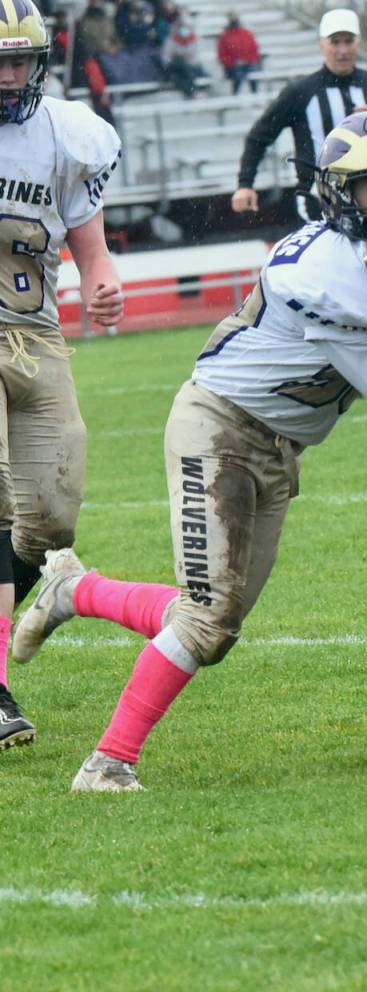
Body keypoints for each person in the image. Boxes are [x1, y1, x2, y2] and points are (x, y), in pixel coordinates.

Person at [10, 111, 367, 789]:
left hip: (280, 446)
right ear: (339, 193)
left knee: (214, 622)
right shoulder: (325, 272)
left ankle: (76, 588)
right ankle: (107, 763)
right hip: (218, 429)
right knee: (206, 618)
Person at [0, 0, 124, 752]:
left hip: (35, 333)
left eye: (19, 59)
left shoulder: (69, 137)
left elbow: (91, 247)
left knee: (51, 515)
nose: (9, 74)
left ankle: (27, 595)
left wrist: (102, 283)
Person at [231, 8, 367, 226]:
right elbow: (259, 136)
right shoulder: (300, 91)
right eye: (335, 42)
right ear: (322, 45)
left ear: (358, 43)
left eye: (349, 41)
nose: (343, 50)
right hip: (317, 201)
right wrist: (245, 183)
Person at [217, 12, 261, 95]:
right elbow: (222, 56)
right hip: (232, 66)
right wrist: (233, 62)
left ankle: (255, 94)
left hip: (248, 63)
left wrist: (247, 60)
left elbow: (255, 50)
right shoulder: (224, 36)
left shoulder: (246, 33)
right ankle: (235, 95)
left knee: (253, 72)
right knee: (237, 76)